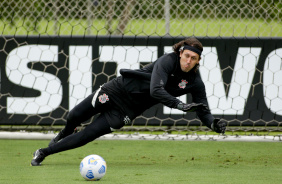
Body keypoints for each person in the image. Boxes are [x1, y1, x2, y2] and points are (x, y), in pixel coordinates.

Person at [31, 37, 226, 166]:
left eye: (194, 58)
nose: (188, 61)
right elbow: (156, 90)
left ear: (198, 61)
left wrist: (213, 123)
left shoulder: (195, 82)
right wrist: (180, 105)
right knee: (74, 116)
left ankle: (43, 152)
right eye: (186, 56)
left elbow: (203, 109)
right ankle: (65, 132)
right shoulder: (167, 61)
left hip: (129, 110)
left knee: (88, 134)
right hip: (117, 90)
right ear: (180, 53)